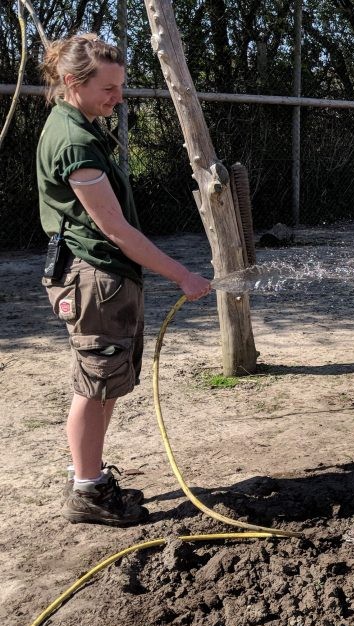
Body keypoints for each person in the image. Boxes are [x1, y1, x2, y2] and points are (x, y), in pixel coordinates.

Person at [37, 34, 211, 526]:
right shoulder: (74, 141)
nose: (118, 97)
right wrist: (182, 275)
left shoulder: (81, 123)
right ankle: (86, 490)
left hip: (105, 276)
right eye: (109, 88)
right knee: (95, 384)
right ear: (74, 83)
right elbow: (115, 229)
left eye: (121, 87)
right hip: (93, 277)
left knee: (105, 382)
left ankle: (89, 476)